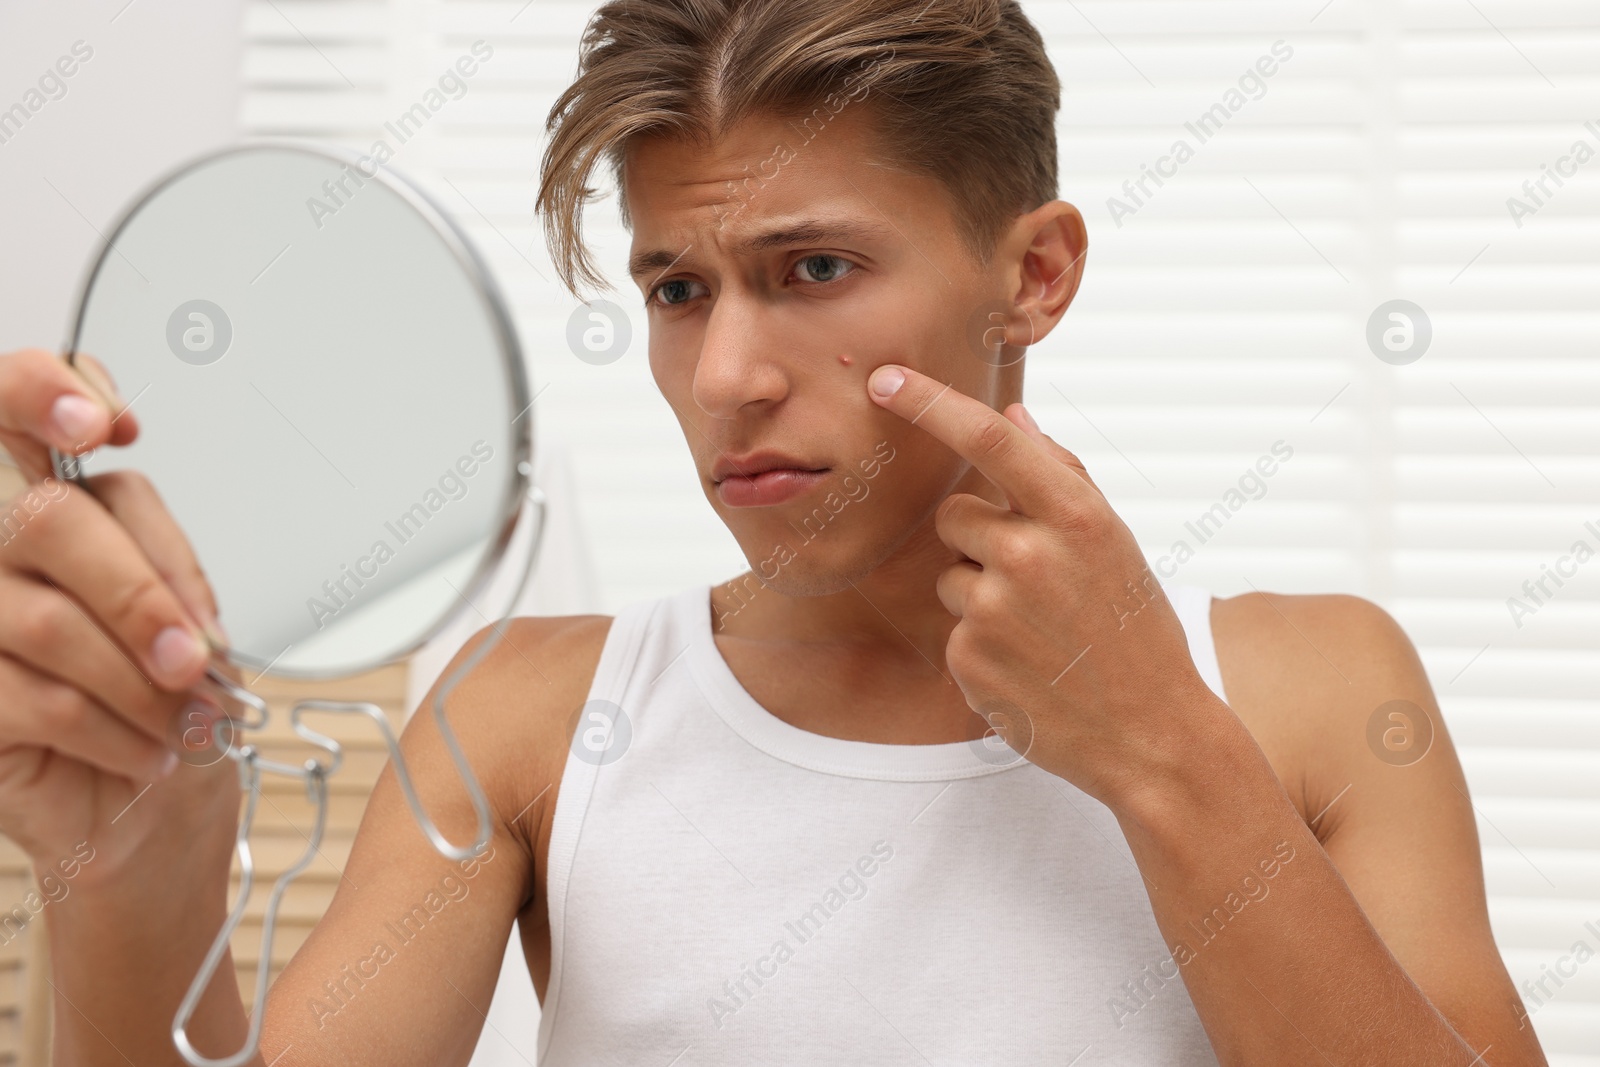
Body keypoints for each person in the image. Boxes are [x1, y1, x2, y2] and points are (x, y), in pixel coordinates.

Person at [0, 1, 1548, 1064]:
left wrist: (1157, 744)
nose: (725, 377)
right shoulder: (531, 717)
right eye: (678, 289)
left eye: (811, 269)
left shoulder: (1316, 688)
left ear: (1037, 278)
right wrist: (127, 871)